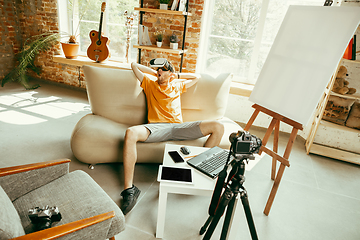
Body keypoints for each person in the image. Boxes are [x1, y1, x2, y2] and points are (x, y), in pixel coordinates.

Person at [120, 58, 225, 215]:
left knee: (218, 127)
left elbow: (197, 77)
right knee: (131, 132)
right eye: (158, 69)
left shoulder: (178, 85)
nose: (159, 71)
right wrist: (158, 72)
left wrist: (174, 75)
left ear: (171, 74)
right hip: (157, 127)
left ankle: (201, 171)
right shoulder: (149, 83)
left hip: (178, 126)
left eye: (163, 69)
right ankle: (129, 190)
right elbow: (134, 66)